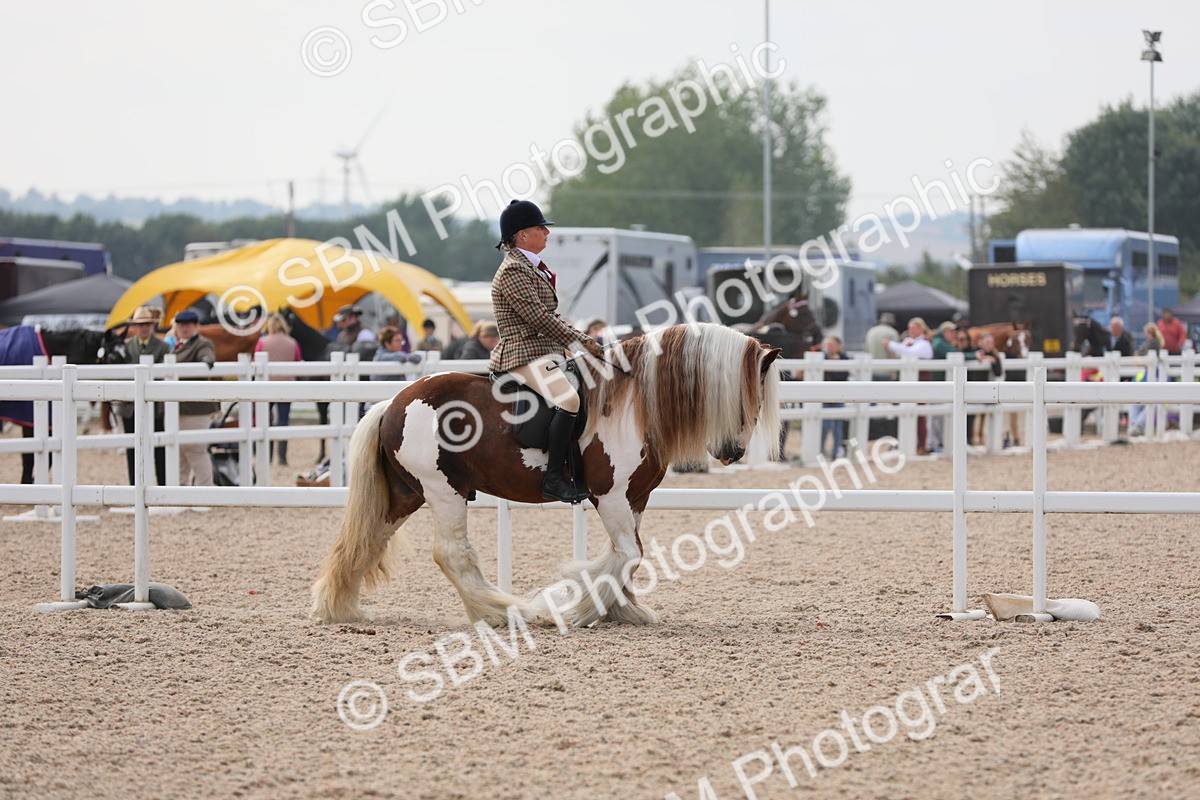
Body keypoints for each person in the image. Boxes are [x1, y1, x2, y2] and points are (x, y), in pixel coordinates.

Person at [489, 199, 604, 503]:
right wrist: (583, 344)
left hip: (545, 353)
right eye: (541, 227)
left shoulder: (531, 268)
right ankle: (553, 479)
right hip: (522, 354)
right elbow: (538, 319)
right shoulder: (514, 270)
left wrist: (582, 338)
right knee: (568, 400)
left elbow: (551, 318)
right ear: (522, 234)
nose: (546, 233)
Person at [119, 306, 170, 486]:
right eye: (141, 325)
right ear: (135, 327)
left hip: (155, 406)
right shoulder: (125, 347)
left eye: (147, 324)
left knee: (159, 448)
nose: (144, 328)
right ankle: (135, 485)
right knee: (132, 448)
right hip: (129, 407)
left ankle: (162, 486)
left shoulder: (163, 347)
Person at [172, 309, 218, 486]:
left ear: (195, 326)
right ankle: (181, 490)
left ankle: (205, 490)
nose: (184, 328)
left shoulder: (201, 344)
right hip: (181, 407)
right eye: (181, 325)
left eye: (188, 325)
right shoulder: (179, 345)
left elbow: (207, 355)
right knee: (181, 452)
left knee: (195, 449)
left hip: (195, 408)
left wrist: (206, 361)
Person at [254, 313, 302, 466]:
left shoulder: (263, 342)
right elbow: (298, 361)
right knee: (283, 419)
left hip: (266, 387)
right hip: (287, 387)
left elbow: (255, 361)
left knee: (265, 421)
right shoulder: (292, 342)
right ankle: (282, 457)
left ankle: (267, 456)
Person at [883, 317, 934, 454]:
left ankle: (922, 446)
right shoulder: (908, 342)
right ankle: (906, 443)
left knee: (920, 415)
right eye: (910, 328)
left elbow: (911, 353)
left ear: (921, 329)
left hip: (920, 382)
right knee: (904, 413)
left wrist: (892, 345)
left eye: (913, 328)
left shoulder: (924, 344)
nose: (910, 331)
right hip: (906, 381)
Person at [925, 321, 960, 454]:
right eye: (951, 332)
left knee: (937, 415)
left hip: (939, 383)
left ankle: (936, 442)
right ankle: (933, 443)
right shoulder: (940, 344)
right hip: (937, 383)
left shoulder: (939, 342)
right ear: (945, 332)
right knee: (935, 415)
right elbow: (956, 354)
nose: (953, 335)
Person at [1128, 323, 1168, 437]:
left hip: (1151, 375)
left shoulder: (1152, 343)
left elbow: (1142, 354)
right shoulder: (1157, 342)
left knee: (1145, 402)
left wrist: (1138, 354)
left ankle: (1136, 425)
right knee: (1146, 403)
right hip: (1151, 375)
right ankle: (1136, 425)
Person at [969, 332, 1004, 446]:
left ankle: (983, 437)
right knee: (971, 414)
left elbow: (999, 372)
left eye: (991, 342)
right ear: (980, 342)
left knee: (987, 412)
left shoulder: (995, 355)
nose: (990, 345)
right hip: (973, 387)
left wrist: (993, 361)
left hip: (986, 389)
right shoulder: (974, 351)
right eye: (987, 342)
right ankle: (971, 437)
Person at [819, 336, 849, 459]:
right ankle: (821, 451)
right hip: (825, 396)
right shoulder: (822, 357)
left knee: (837, 426)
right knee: (824, 426)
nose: (829, 347)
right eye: (827, 345)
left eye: (831, 345)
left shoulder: (844, 358)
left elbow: (843, 376)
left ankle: (836, 451)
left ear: (838, 346)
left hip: (839, 395)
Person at [865, 312, 899, 379]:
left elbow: (867, 350)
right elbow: (893, 353)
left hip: (872, 369)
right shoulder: (892, 332)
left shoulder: (871, 331)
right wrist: (894, 373)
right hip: (886, 371)